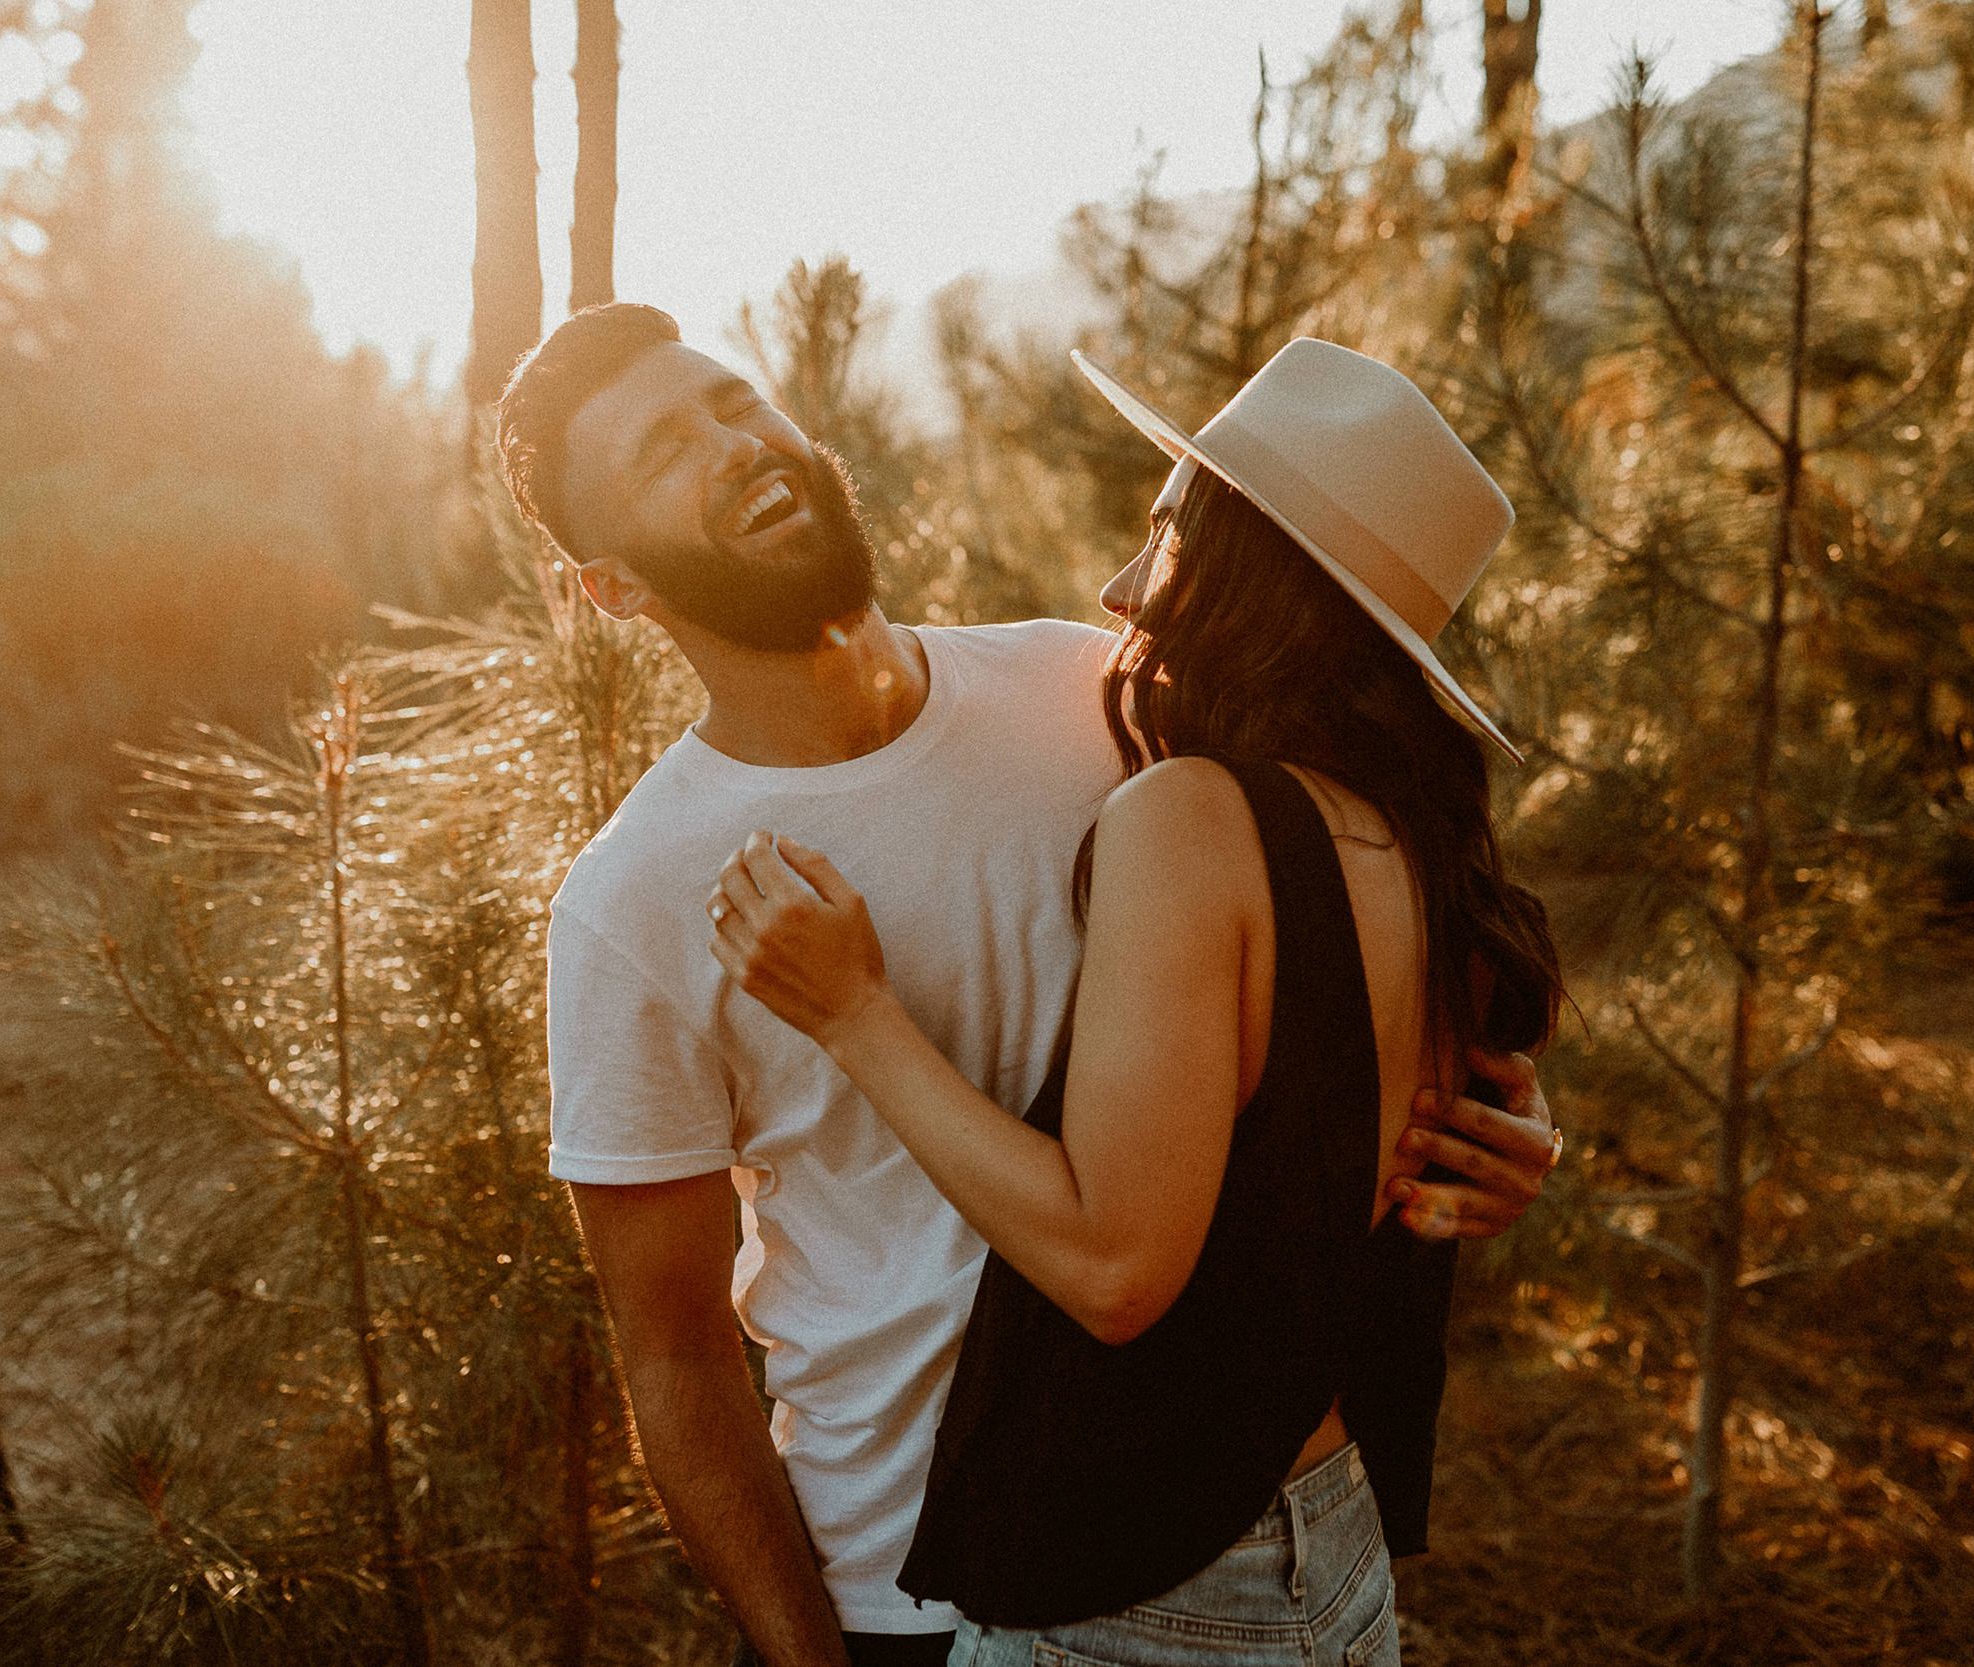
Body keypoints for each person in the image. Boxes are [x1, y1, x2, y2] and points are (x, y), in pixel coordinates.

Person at [495, 306, 1563, 1667]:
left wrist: (1483, 1117)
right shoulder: (632, 901)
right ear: (614, 587)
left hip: (1179, 1542)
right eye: (664, 451)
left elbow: (1334, 925)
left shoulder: (1099, 696)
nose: (734, 443)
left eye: (732, 400)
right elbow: (676, 1358)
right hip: (898, 1586)